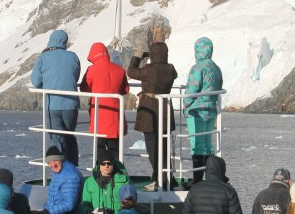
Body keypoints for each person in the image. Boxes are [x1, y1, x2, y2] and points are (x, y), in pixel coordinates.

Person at [127, 42, 177, 189]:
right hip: (165, 109)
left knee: (152, 147)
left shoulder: (149, 70)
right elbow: (173, 74)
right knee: (164, 147)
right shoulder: (171, 69)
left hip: (149, 109)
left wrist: (137, 57)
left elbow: (130, 72)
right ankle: (167, 177)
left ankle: (160, 179)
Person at [31, 30, 81, 165]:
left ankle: (60, 174)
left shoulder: (44, 57)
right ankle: (73, 170)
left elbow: (36, 81)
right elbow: (75, 76)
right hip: (71, 105)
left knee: (57, 139)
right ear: (65, 41)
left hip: (52, 104)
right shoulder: (73, 56)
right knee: (70, 137)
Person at [183, 37, 224, 183]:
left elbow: (192, 90)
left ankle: (197, 180)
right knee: (208, 145)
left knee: (197, 146)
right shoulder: (216, 68)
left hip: (197, 111)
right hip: (211, 110)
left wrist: (185, 104)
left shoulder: (198, 68)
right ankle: (211, 177)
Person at [80, 42, 130, 152]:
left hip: (99, 115)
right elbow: (126, 90)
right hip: (115, 117)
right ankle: (117, 169)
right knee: (116, 151)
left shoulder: (92, 70)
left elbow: (84, 88)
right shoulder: (120, 70)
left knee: (100, 151)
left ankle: (101, 169)